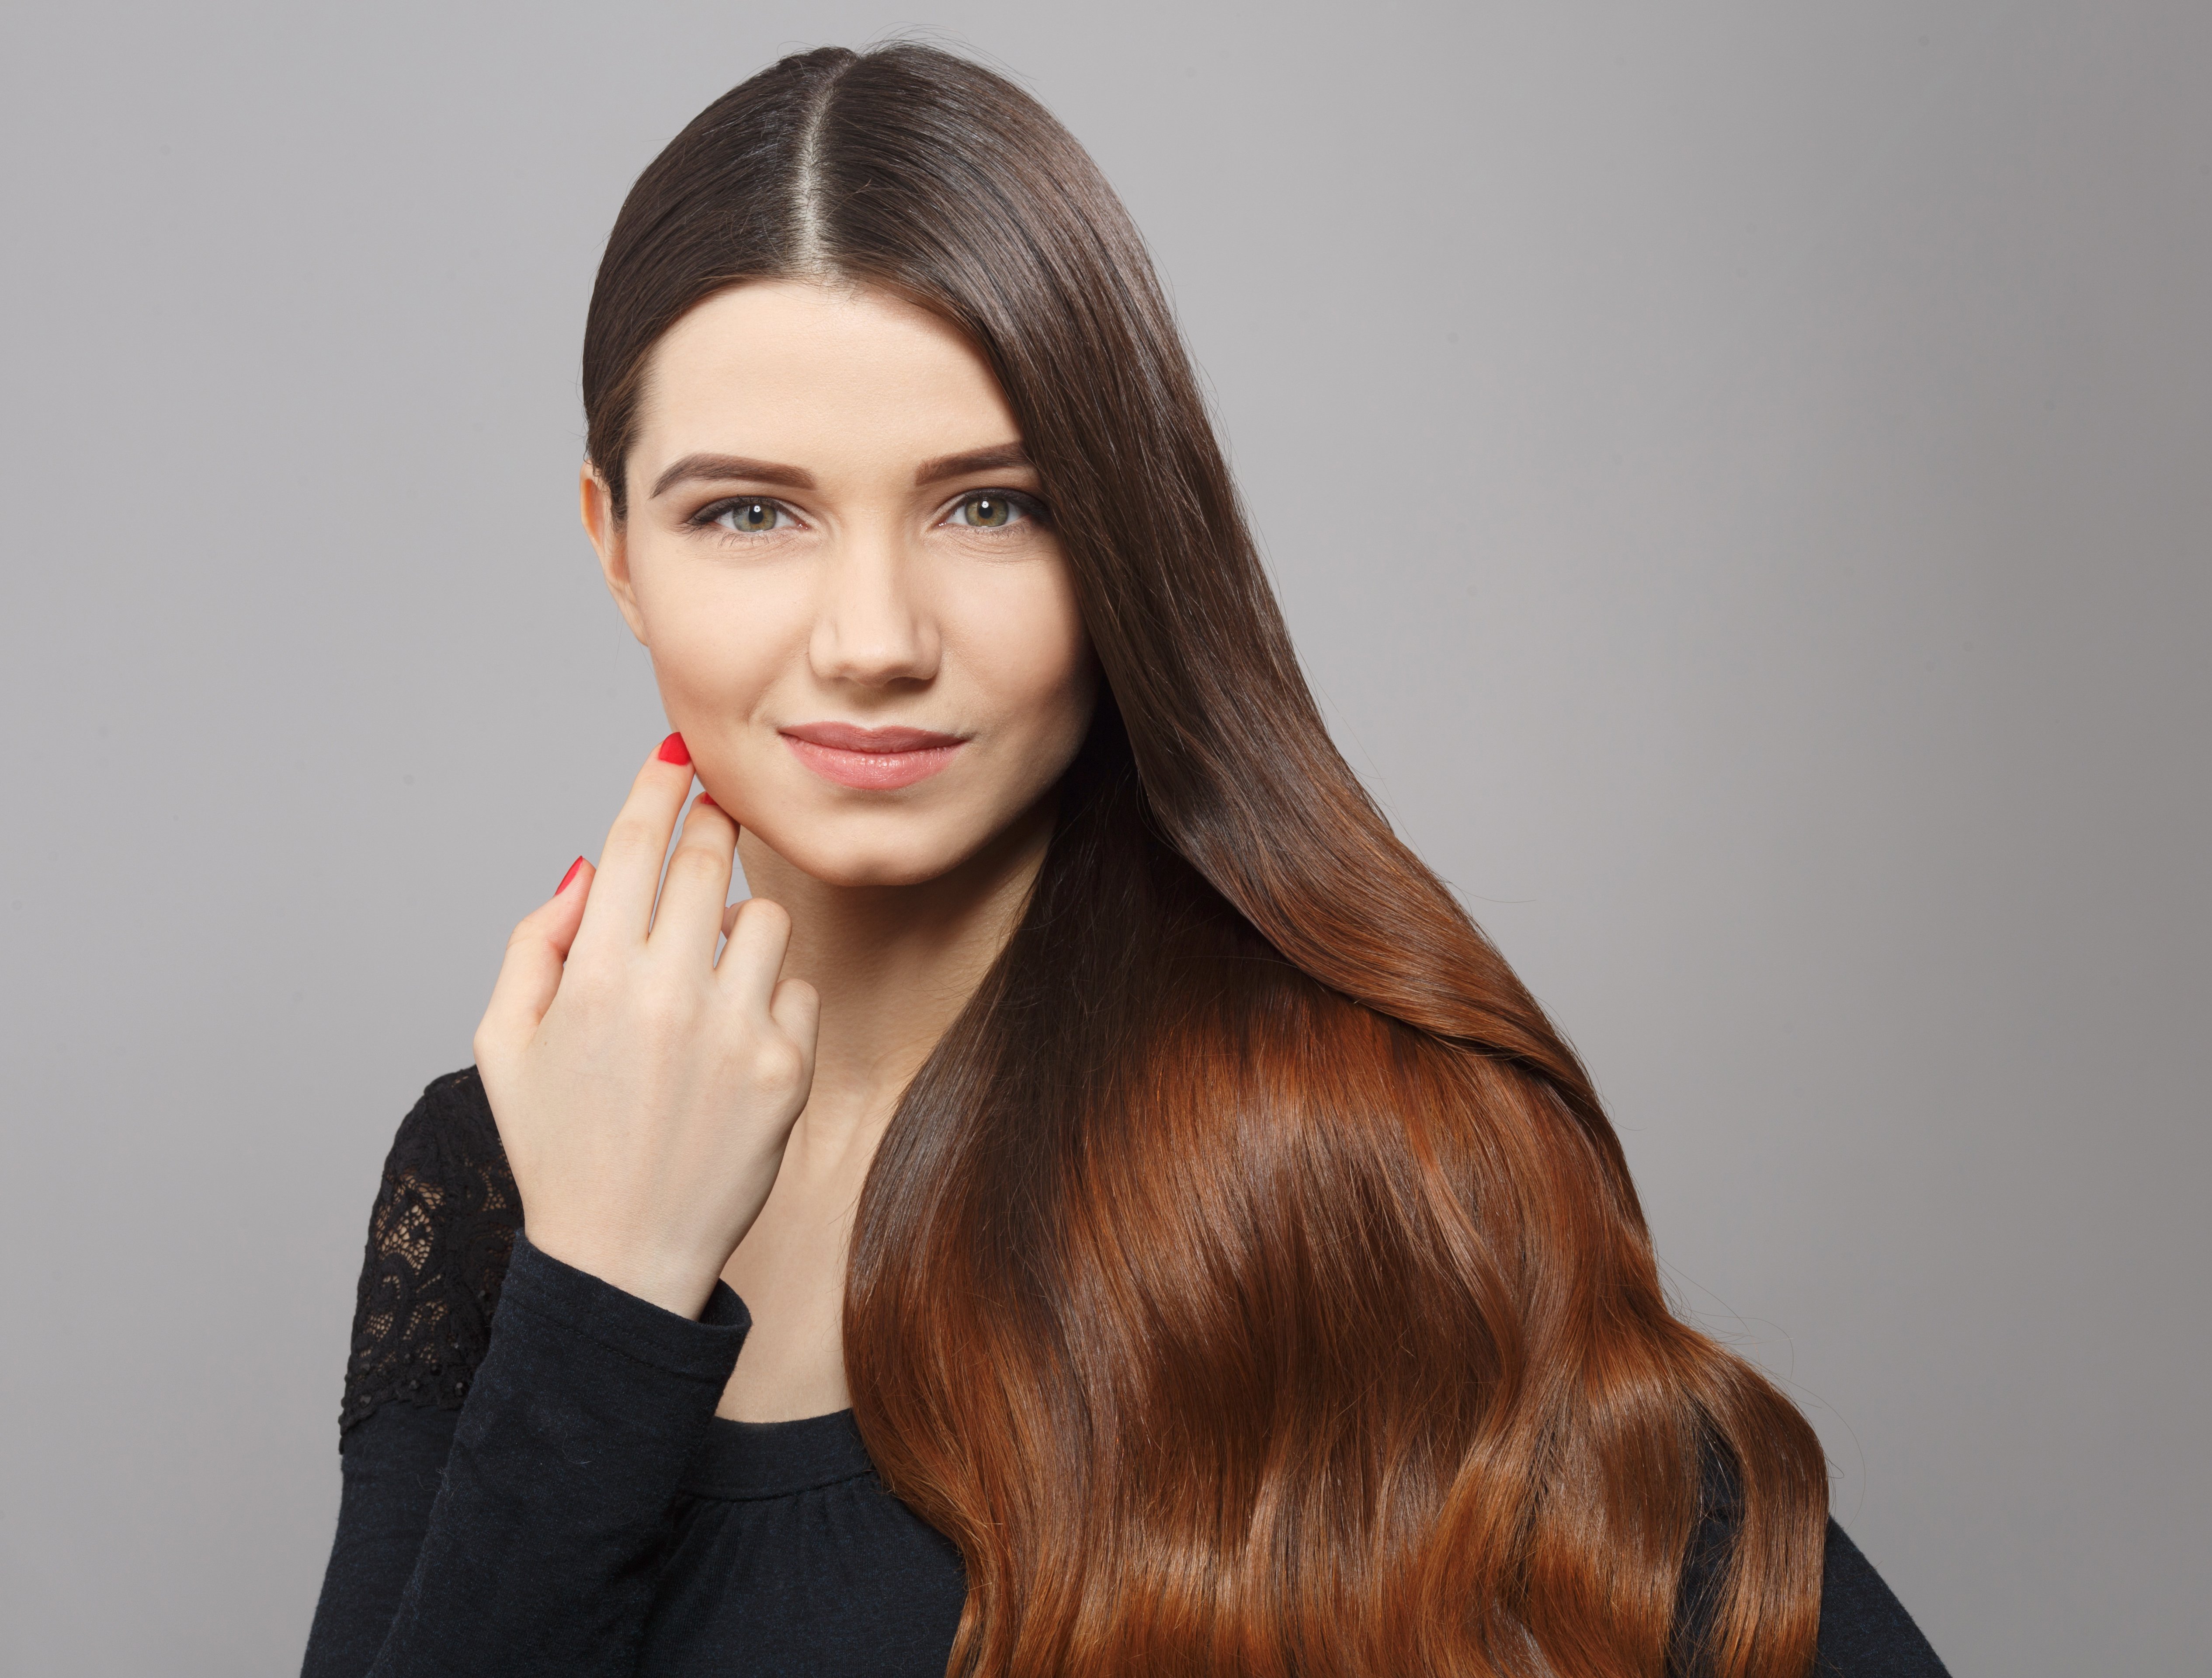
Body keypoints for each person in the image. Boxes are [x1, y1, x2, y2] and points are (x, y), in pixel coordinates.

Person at [300, 42, 1946, 1678]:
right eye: (749, 514)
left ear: (1123, 544)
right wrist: (609, 1287)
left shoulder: (1352, 1150)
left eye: (990, 509)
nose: (874, 640)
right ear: (615, 549)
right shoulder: (502, 1171)